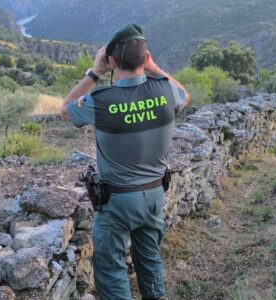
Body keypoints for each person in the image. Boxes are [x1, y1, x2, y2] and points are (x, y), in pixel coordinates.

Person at [61, 23, 190, 300]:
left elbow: (65, 109)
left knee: (111, 270)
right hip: (155, 194)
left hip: (117, 202)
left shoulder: (100, 99)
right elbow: (185, 95)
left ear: (111, 61)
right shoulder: (165, 90)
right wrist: (155, 68)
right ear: (145, 59)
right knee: (150, 258)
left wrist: (94, 72)